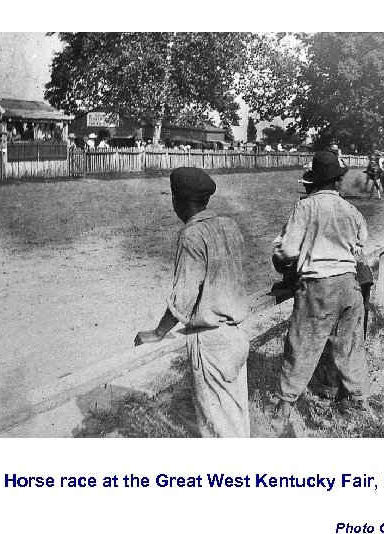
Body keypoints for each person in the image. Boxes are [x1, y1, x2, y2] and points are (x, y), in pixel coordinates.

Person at [134, 167, 251, 437]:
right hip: (236, 336)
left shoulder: (192, 235)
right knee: (236, 421)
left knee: (218, 430)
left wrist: (158, 332)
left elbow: (184, 298)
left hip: (210, 343)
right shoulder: (229, 226)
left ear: (177, 200)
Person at [270, 150, 370, 432]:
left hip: (319, 286)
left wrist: (284, 259)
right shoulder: (351, 210)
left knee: (301, 346)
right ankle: (357, 406)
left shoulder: (305, 208)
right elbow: (361, 243)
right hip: (349, 286)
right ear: (338, 181)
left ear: (313, 179)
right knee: (350, 346)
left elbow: (288, 250)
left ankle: (282, 411)